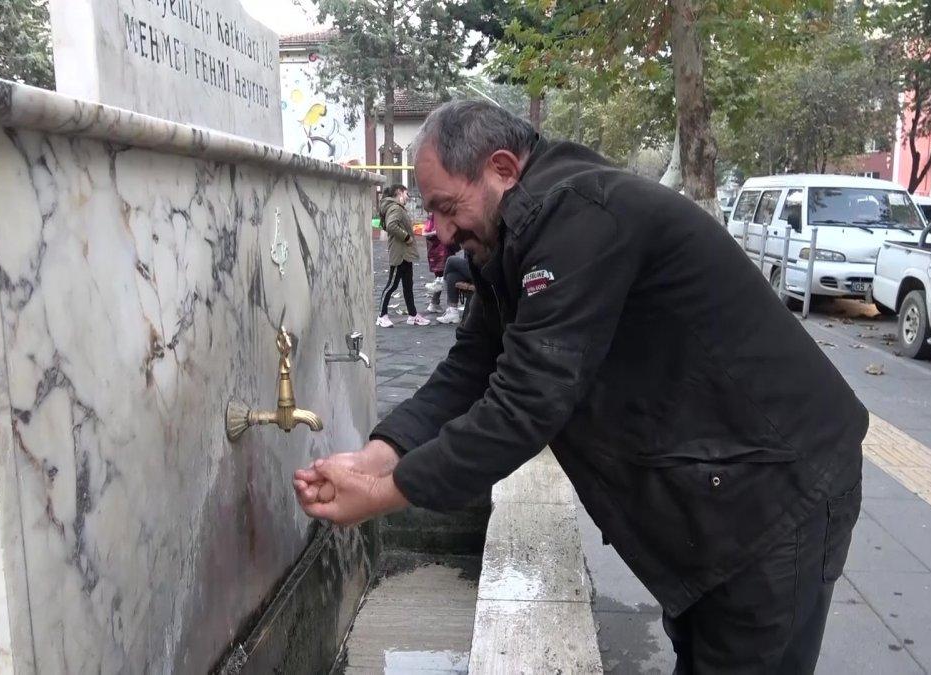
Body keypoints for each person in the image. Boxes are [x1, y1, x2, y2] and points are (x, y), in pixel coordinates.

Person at [294, 101, 867, 673]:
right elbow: (469, 371)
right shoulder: (517, 238)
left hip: (777, 491)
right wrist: (376, 456)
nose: (440, 230)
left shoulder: (576, 217)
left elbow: (524, 404)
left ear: (501, 168)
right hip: (721, 489)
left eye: (447, 206)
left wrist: (389, 492)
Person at [376, 184, 429, 327]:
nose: (408, 197)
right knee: (392, 284)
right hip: (400, 254)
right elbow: (391, 225)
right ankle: (381, 315)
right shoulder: (395, 208)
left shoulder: (395, 208)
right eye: (406, 194)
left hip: (405, 254)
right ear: (399, 193)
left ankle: (413, 315)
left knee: (408, 285)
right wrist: (407, 237)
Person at [422, 212, 451, 313]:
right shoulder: (436, 214)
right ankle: (451, 306)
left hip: (437, 251)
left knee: (440, 278)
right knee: (447, 276)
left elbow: (425, 232)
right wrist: (438, 232)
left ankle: (434, 303)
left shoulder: (433, 214)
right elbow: (425, 232)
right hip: (440, 251)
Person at [433, 250, 472, 325]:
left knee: (451, 260)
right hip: (472, 266)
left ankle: (442, 283)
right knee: (451, 276)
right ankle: (453, 312)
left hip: (481, 268)